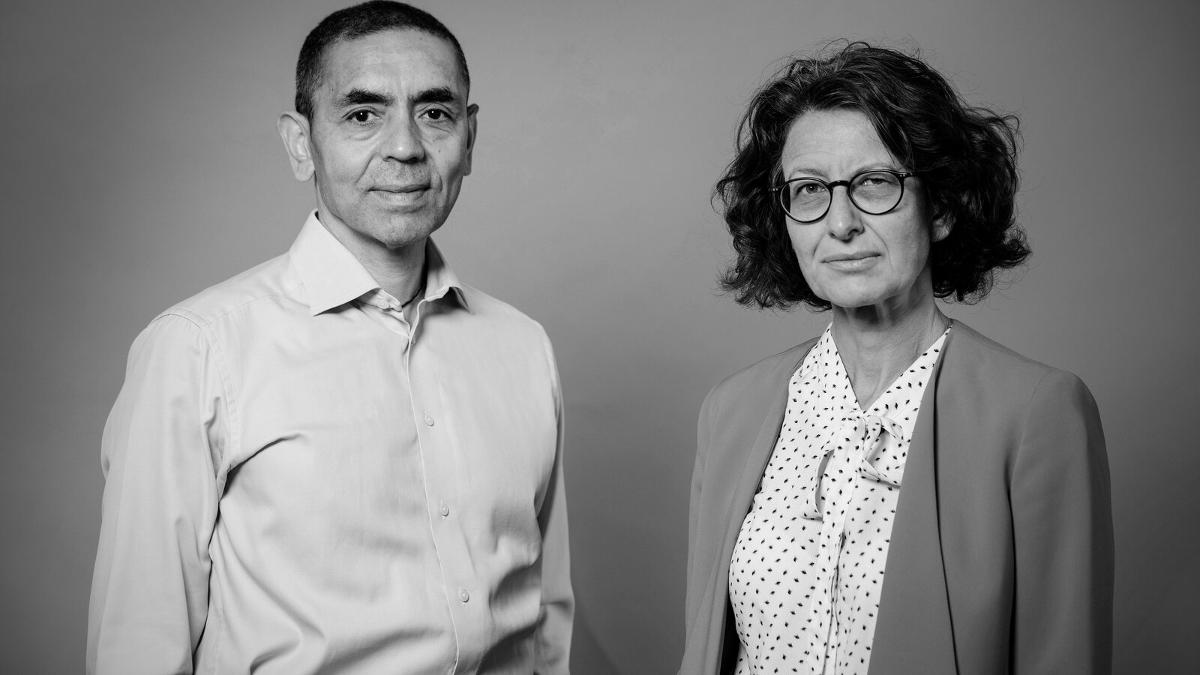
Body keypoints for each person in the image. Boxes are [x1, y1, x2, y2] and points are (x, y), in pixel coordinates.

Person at [86, 2, 573, 673]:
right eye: (363, 114)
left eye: (435, 112)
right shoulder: (198, 349)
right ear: (299, 143)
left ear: (470, 136)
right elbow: (138, 644)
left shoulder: (522, 347)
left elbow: (544, 618)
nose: (405, 147)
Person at [679, 43, 1112, 675]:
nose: (841, 223)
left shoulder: (1037, 414)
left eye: (875, 183)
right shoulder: (731, 412)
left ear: (940, 206)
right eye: (809, 190)